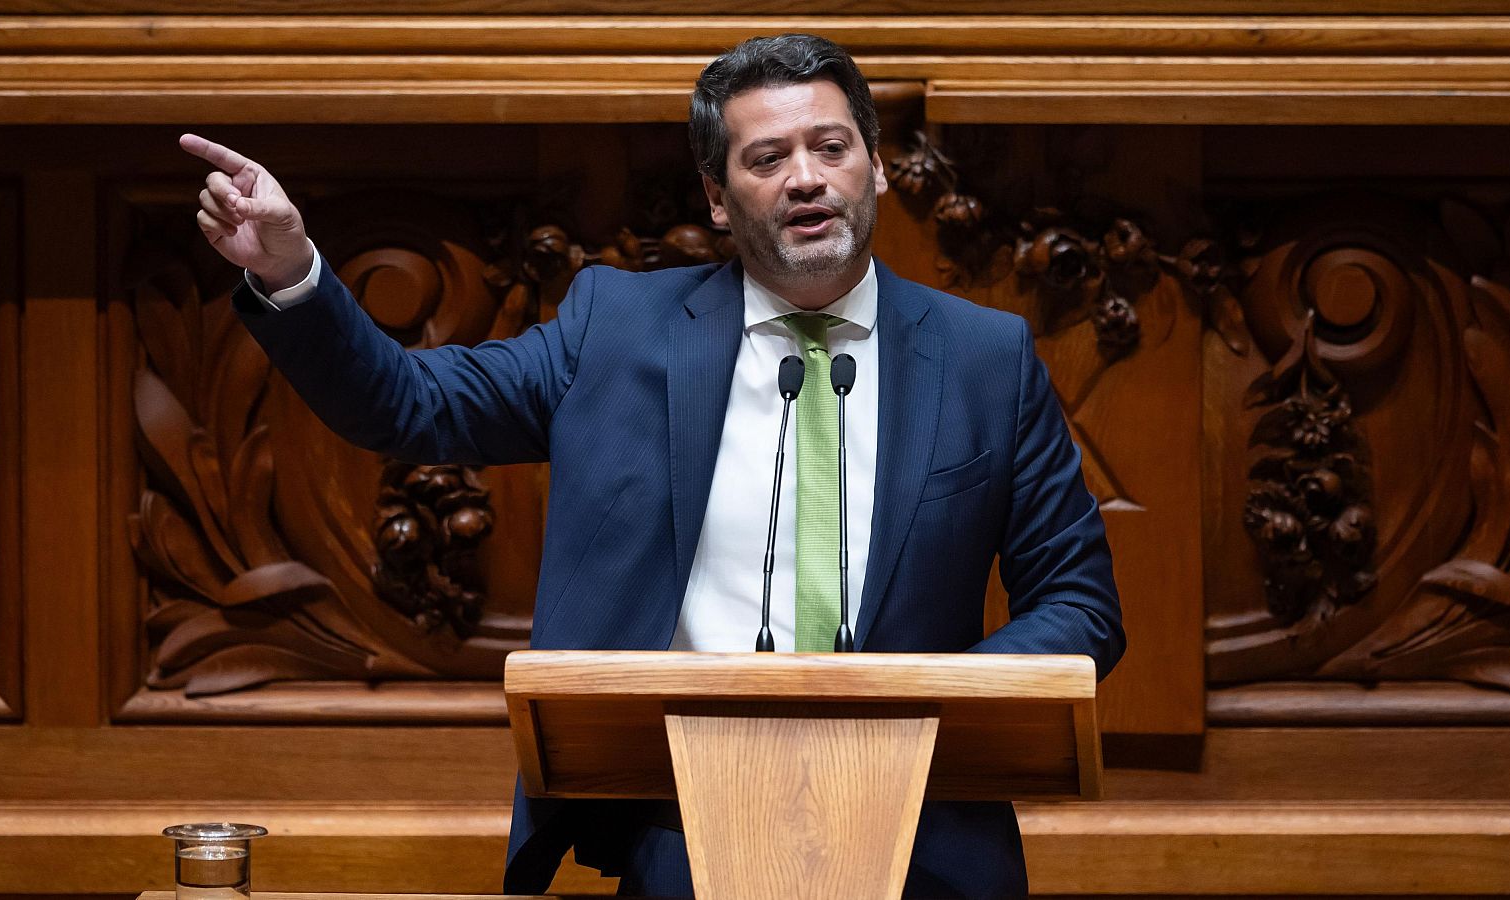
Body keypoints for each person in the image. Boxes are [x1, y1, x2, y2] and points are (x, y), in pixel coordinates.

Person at [184, 32, 1123, 900]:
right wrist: (291, 274)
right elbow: (407, 404)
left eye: (831, 148)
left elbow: (1079, 604)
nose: (806, 178)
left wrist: (922, 713)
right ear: (717, 198)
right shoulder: (617, 330)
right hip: (687, 828)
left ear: (876, 167)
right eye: (767, 159)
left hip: (930, 832)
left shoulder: (984, 357)